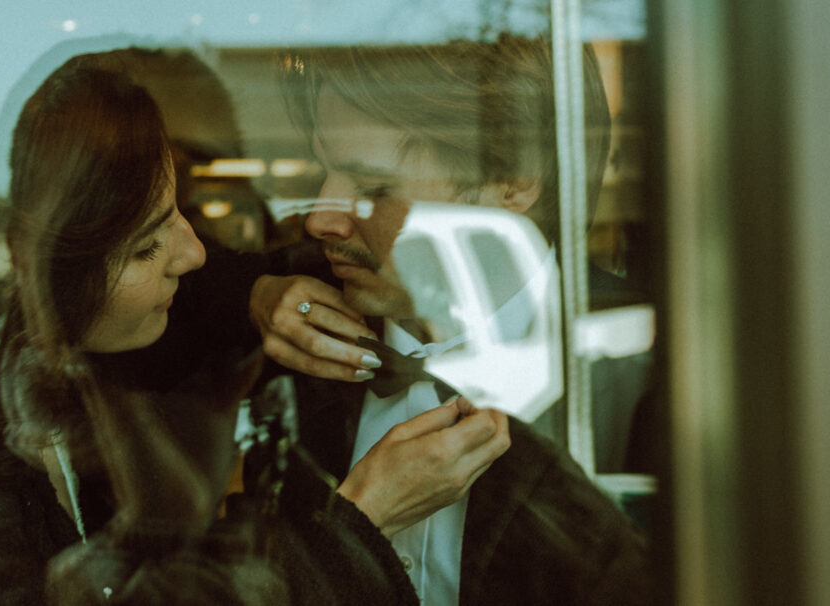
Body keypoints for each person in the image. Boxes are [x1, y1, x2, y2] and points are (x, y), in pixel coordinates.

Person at [0, 52, 420, 606]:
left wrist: (254, 293)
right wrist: (354, 532)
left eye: (185, 213)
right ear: (42, 264)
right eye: (147, 244)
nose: (196, 252)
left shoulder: (100, 406)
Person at [249, 34, 652, 604]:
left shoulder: (650, 371)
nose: (321, 220)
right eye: (323, 170)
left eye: (372, 186)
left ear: (514, 179)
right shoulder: (287, 335)